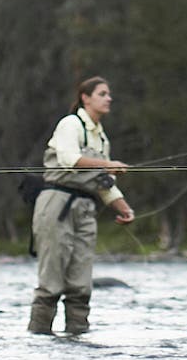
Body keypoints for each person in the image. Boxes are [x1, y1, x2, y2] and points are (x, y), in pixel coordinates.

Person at [29, 75, 134, 335]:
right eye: (102, 93)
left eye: (109, 94)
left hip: (85, 209)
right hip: (57, 203)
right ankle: (38, 341)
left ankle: (78, 339)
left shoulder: (101, 139)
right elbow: (69, 160)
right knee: (51, 281)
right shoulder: (71, 124)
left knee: (81, 284)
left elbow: (103, 183)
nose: (108, 98)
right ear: (85, 98)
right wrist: (109, 164)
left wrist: (123, 207)